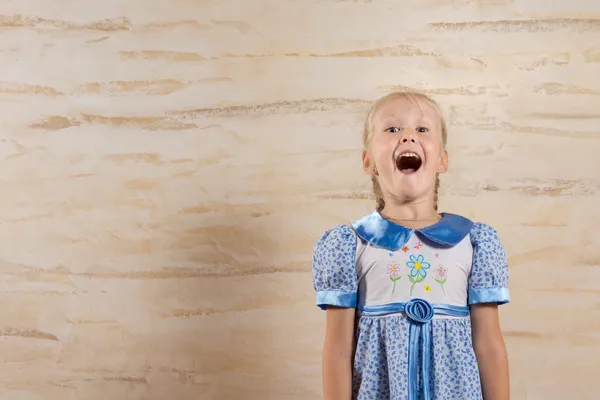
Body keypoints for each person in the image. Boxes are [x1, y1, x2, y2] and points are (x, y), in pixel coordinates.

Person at [311, 91, 510, 400]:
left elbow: (489, 346)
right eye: (392, 129)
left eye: (422, 129)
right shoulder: (351, 244)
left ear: (442, 159)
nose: (407, 137)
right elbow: (337, 351)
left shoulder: (472, 242)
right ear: (368, 160)